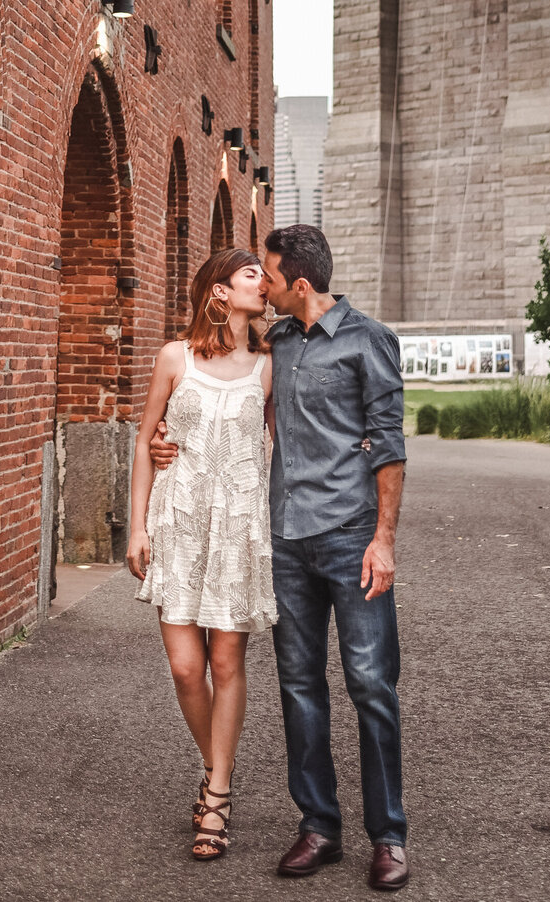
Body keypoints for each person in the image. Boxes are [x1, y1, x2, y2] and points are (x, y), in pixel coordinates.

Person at [152, 223, 410, 891]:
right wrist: (166, 447)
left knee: (371, 687)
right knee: (300, 689)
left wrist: (384, 538)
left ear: (297, 283)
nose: (259, 285)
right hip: (285, 542)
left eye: (265, 275)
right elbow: (215, 408)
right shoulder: (279, 344)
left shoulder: (368, 340)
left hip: (352, 538)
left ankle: (388, 835)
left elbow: (389, 445)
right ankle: (319, 827)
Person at [127, 246, 276, 861]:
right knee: (187, 667)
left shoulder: (269, 365)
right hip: (179, 521)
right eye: (251, 277)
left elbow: (282, 441)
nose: (263, 285)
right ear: (218, 291)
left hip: (238, 525)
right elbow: (145, 442)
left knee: (226, 660)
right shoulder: (173, 357)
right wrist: (136, 528)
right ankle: (217, 766)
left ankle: (216, 791)